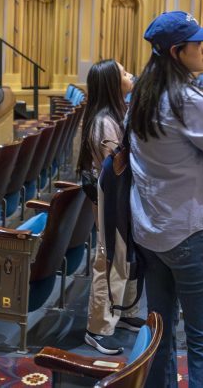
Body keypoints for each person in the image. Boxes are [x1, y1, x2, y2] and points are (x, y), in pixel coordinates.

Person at [128, 11, 203, 388]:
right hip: (188, 231)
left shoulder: (142, 94)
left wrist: (201, 168)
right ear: (178, 52)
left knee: (159, 332)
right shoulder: (188, 99)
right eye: (198, 43)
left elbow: (157, 156)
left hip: (149, 230)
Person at [79, 59, 142, 355]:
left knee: (125, 254)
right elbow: (114, 167)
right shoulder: (105, 120)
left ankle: (126, 311)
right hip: (111, 198)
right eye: (124, 73)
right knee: (108, 258)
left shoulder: (117, 112)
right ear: (112, 84)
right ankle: (97, 327)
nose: (131, 74)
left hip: (121, 197)